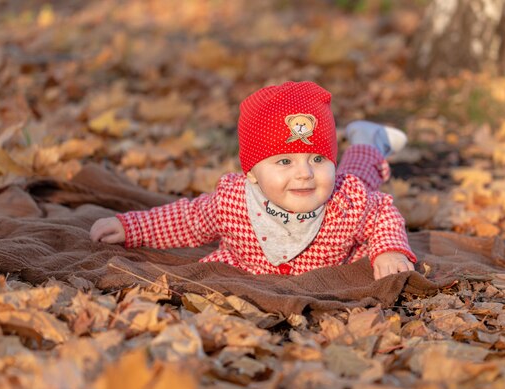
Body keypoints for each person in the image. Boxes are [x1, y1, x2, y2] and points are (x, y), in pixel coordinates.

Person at [90, 81, 417, 279]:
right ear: (252, 174)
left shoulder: (347, 201)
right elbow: (186, 220)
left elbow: (382, 215)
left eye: (318, 159)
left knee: (356, 179)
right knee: (348, 178)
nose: (304, 173)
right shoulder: (233, 203)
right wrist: (133, 227)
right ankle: (365, 138)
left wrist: (389, 250)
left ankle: (367, 141)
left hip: (349, 191)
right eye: (285, 161)